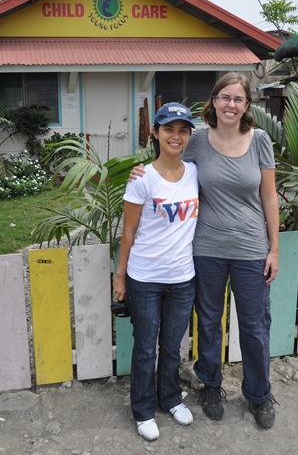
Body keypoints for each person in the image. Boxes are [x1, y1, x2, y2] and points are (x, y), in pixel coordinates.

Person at [130, 72, 279, 429]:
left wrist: (274, 247)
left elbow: (269, 195)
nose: (231, 104)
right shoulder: (196, 140)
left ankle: (258, 394)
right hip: (206, 248)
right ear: (213, 101)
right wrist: (139, 171)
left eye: (238, 99)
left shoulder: (259, 139)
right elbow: (168, 160)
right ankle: (211, 386)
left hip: (252, 249)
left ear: (247, 105)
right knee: (209, 323)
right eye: (225, 97)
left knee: (255, 327)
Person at [113, 103, 199, 442]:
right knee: (146, 346)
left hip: (182, 277)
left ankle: (170, 398)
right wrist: (120, 276)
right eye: (168, 129)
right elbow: (129, 233)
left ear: (189, 135)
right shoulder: (142, 178)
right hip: (145, 278)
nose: (175, 136)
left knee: (172, 346)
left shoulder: (194, 172)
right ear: (156, 133)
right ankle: (143, 409)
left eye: (182, 130)